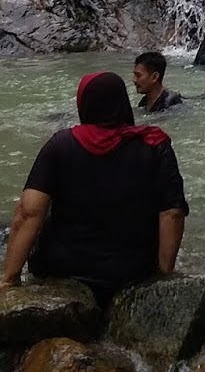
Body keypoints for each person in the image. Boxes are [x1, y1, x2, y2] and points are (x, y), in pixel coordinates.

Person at [0, 71, 188, 301]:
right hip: (131, 269)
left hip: (62, 265)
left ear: (84, 104)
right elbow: (173, 213)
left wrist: (9, 277)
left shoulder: (61, 144)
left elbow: (29, 212)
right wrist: (163, 276)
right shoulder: (155, 144)